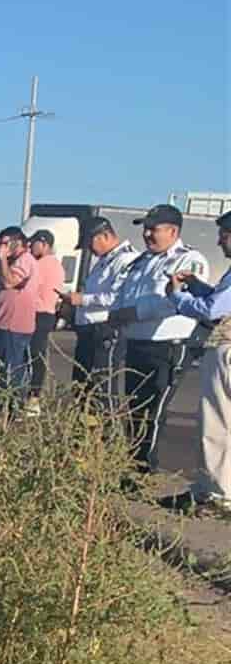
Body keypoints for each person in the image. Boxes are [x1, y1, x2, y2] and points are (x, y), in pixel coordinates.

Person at [113, 204, 212, 475]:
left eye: (153, 229)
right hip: (136, 341)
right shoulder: (142, 261)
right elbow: (123, 296)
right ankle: (129, 462)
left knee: (153, 409)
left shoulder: (189, 259)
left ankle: (143, 468)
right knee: (134, 406)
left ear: (173, 231)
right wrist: (117, 314)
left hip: (168, 343)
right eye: (144, 229)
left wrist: (132, 313)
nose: (146, 234)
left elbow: (172, 301)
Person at [156, 209, 231, 517]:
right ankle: (211, 489)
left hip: (227, 348)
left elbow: (212, 310)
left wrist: (177, 296)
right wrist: (197, 286)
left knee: (217, 424)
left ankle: (216, 494)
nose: (219, 241)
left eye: (224, 234)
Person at [64, 217, 139, 416]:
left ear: (105, 235)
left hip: (106, 329)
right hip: (88, 330)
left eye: (91, 243)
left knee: (101, 389)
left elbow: (117, 297)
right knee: (82, 386)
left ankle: (104, 438)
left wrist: (83, 300)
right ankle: (84, 433)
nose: (90, 249)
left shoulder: (126, 259)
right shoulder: (104, 260)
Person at [0, 226, 38, 406]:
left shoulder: (25, 260)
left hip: (13, 325)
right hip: (1, 322)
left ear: (18, 243)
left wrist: (2, 259)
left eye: (5, 243)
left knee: (9, 369)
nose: (1, 247)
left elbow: (8, 282)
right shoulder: (9, 262)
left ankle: (9, 407)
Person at [23, 230, 66, 415]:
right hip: (47, 314)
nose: (31, 247)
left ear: (44, 244)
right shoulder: (57, 265)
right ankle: (34, 396)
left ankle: (33, 398)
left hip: (38, 313)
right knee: (37, 355)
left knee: (33, 356)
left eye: (34, 243)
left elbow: (26, 284)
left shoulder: (41, 264)